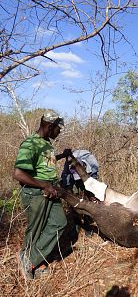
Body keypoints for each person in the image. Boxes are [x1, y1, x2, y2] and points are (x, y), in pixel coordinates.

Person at [13, 110, 71, 280]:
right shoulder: (30, 143)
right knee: (36, 228)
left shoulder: (46, 143)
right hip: (36, 192)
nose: (59, 131)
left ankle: (32, 259)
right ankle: (31, 262)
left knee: (59, 223)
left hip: (50, 190)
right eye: (58, 128)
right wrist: (43, 185)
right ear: (50, 126)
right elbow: (18, 173)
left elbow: (45, 163)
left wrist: (62, 155)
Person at [60, 149, 100, 237]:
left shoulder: (92, 164)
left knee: (90, 198)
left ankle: (88, 223)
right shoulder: (68, 167)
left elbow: (93, 184)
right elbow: (67, 185)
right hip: (71, 176)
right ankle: (76, 224)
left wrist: (92, 195)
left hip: (88, 176)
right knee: (73, 199)